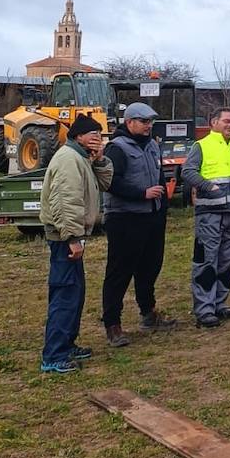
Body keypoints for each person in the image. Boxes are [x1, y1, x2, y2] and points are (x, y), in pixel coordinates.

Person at [39, 114, 113, 373]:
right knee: (65, 295)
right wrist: (72, 237)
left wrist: (100, 159)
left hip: (71, 236)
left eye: (100, 135)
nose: (97, 138)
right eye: (92, 135)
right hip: (64, 238)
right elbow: (66, 200)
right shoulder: (69, 159)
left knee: (74, 293)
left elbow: (105, 183)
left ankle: (66, 344)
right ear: (78, 136)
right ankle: (54, 356)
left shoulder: (82, 158)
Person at [101, 102, 176, 348]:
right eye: (144, 121)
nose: (148, 126)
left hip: (152, 219)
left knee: (149, 268)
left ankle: (148, 313)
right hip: (125, 219)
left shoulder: (153, 145)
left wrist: (162, 210)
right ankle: (113, 325)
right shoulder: (117, 148)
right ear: (129, 122)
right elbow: (111, 183)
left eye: (150, 122)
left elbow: (160, 180)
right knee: (119, 273)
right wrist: (141, 194)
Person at [181, 107, 230, 328]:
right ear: (214, 123)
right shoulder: (202, 146)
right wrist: (209, 186)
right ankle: (204, 309)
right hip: (210, 215)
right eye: (226, 121)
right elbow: (188, 171)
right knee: (206, 262)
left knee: (228, 262)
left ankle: (220, 303)